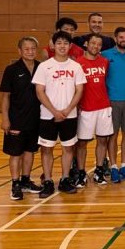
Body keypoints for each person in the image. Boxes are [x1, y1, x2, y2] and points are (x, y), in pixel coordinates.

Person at [32, 31, 86, 196]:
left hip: (69, 115)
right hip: (48, 115)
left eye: (65, 43)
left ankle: (64, 179)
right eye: (59, 43)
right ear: (53, 46)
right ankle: (48, 181)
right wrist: (54, 111)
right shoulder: (44, 66)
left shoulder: (76, 66)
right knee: (46, 149)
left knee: (68, 148)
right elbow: (39, 91)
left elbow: (79, 90)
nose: (62, 46)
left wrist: (68, 110)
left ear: (70, 46)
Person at [0, 36, 43, 200]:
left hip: (35, 118)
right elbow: (5, 97)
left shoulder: (41, 67)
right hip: (16, 119)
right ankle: (15, 184)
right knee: (16, 153)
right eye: (27, 49)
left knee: (30, 151)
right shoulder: (11, 70)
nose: (30, 52)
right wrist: (5, 119)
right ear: (20, 51)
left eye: (33, 48)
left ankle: (25, 180)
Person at [101, 27, 125, 182]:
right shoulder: (106, 55)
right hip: (111, 101)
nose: (124, 39)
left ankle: (124, 165)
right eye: (121, 37)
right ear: (116, 38)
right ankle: (113, 167)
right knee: (113, 135)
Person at [74, 34, 114, 187]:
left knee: (102, 140)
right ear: (86, 44)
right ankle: (81, 173)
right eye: (93, 43)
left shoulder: (105, 62)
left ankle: (99, 170)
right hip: (86, 109)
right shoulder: (78, 63)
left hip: (104, 107)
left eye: (99, 44)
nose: (96, 46)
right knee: (82, 143)